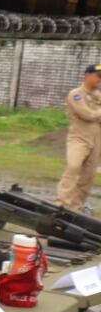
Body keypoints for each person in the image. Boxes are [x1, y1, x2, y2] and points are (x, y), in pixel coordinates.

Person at [56, 63, 101, 211]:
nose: (100, 80)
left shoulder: (98, 95)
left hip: (97, 139)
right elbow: (86, 114)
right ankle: (62, 203)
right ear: (87, 75)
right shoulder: (75, 94)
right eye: (98, 76)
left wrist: (94, 114)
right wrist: (95, 114)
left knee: (88, 175)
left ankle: (76, 207)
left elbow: (91, 115)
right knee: (73, 167)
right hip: (79, 138)